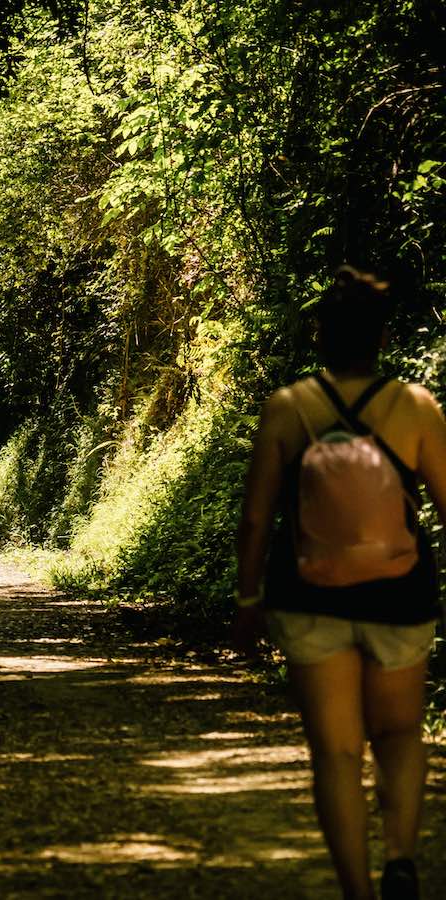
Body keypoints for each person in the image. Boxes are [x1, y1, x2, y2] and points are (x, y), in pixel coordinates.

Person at [235, 265, 446, 900]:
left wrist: (248, 601)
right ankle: (402, 859)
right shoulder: (414, 407)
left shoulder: (288, 408)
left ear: (320, 333)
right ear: (381, 337)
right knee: (401, 733)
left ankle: (357, 892)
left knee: (335, 754)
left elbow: (255, 518)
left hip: (310, 597)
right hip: (400, 596)